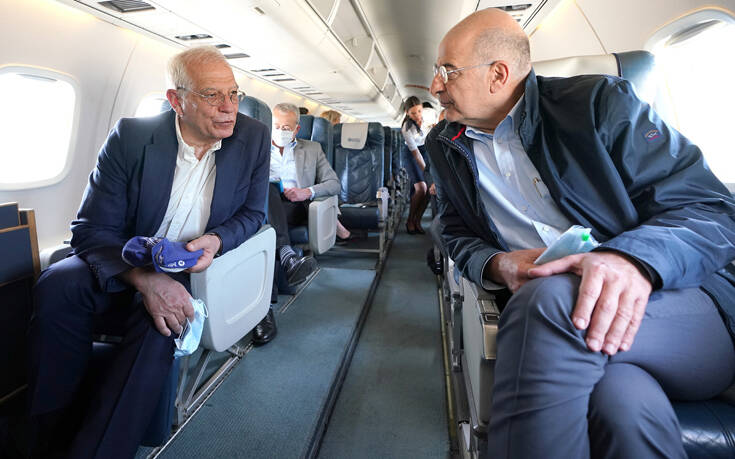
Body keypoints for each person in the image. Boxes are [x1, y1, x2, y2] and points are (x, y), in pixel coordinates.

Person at [426, 8, 735, 459]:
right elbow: (451, 229)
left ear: (498, 74)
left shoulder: (597, 104)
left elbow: (710, 209)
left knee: (551, 303)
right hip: (584, 345)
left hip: (675, 308)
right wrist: (497, 263)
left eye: (447, 71)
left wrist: (629, 260)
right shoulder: (443, 145)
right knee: (623, 407)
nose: (435, 86)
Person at [26, 46, 271, 458]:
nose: (228, 107)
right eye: (212, 95)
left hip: (189, 268)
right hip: (127, 258)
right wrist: (144, 279)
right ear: (177, 100)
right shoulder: (132, 137)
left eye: (233, 93)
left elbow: (253, 213)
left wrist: (217, 239)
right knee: (57, 285)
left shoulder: (253, 138)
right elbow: (89, 229)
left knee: (161, 322)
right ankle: (45, 433)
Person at [268, 103, 348, 279]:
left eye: (286, 128)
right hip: (264, 204)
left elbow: (334, 184)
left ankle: (285, 253)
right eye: (276, 127)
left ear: (296, 130)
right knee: (268, 190)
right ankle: (287, 259)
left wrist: (306, 192)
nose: (280, 131)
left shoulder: (312, 149)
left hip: (295, 205)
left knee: (264, 220)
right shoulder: (260, 148)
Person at [400, 96, 430, 234]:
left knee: (430, 189)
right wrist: (427, 172)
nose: (417, 115)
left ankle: (418, 220)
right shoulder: (407, 128)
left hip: (425, 151)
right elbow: (416, 154)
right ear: (407, 113)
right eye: (413, 113)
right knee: (421, 188)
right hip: (412, 155)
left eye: (419, 111)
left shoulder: (428, 118)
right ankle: (410, 220)